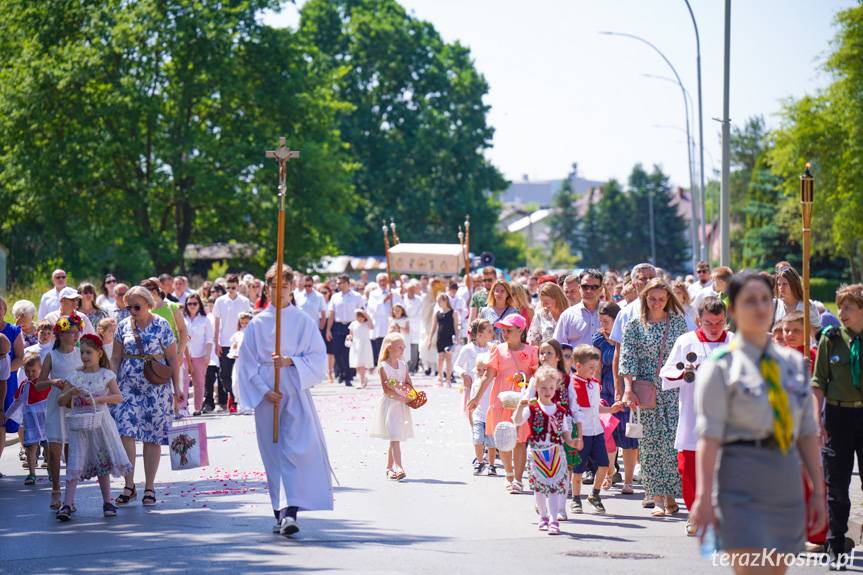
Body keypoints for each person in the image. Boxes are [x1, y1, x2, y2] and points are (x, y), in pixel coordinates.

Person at [691, 272, 825, 573]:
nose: (760, 307)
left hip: (785, 475)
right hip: (740, 474)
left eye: (766, 299)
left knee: (777, 569)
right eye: (750, 301)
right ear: (734, 310)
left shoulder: (792, 364)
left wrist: (817, 489)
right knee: (750, 568)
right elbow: (709, 437)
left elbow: (806, 432)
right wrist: (703, 496)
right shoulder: (721, 366)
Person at [234, 262, 333, 537]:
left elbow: (316, 358)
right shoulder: (257, 323)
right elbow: (247, 363)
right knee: (273, 452)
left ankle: (291, 512)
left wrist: (291, 361)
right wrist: (264, 390)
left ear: (292, 289)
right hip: (268, 392)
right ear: (268, 288)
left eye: (285, 286)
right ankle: (279, 513)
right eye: (274, 286)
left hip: (295, 388)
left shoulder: (302, 321)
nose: (279, 291)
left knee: (294, 450)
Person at [659, 296, 732, 536]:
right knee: (689, 469)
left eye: (719, 323)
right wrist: (684, 371)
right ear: (699, 321)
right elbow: (666, 373)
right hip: (693, 417)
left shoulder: (734, 343)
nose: (714, 328)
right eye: (709, 323)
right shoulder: (686, 341)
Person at [620, 278, 689, 516]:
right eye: (652, 298)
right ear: (645, 299)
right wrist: (628, 388)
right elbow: (628, 358)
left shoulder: (678, 323)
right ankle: (656, 497)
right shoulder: (634, 325)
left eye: (661, 299)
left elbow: (687, 354)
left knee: (672, 441)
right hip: (645, 388)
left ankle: (671, 494)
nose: (657, 303)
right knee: (649, 444)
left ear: (668, 299)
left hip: (673, 389)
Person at [111, 285, 183, 508]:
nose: (132, 310)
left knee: (152, 437)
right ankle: (129, 484)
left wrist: (177, 388)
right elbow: (115, 358)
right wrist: (110, 382)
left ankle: (149, 487)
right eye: (128, 306)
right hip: (128, 387)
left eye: (136, 306)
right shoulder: (123, 326)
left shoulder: (161, 325)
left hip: (156, 388)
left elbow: (172, 359)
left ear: (148, 304)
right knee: (125, 432)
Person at [811, 283, 863, 567]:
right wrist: (816, 420)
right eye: (839, 306)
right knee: (838, 487)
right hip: (837, 417)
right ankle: (836, 545)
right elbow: (819, 382)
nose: (840, 312)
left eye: (847, 307)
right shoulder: (830, 339)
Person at [55, 335, 131, 521]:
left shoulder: (106, 374)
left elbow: (118, 397)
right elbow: (60, 401)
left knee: (101, 460)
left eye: (89, 352)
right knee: (75, 461)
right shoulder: (74, 376)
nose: (85, 356)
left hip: (100, 423)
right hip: (79, 424)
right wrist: (71, 392)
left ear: (99, 353)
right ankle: (67, 503)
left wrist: (97, 399)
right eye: (82, 352)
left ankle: (107, 501)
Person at [468, 314, 538, 494]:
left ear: (520, 330)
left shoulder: (531, 351)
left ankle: (518, 480)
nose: (504, 333)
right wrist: (476, 398)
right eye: (503, 330)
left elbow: (536, 376)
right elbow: (488, 375)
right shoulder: (498, 350)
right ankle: (508, 476)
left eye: (509, 330)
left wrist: (524, 377)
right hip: (501, 401)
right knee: (504, 438)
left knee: (520, 441)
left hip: (521, 402)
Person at [512, 366, 579, 535]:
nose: (547, 391)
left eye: (550, 387)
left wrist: (572, 441)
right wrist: (520, 406)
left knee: (555, 487)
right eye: (543, 388)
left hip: (556, 451)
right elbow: (517, 421)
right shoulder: (532, 409)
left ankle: (554, 520)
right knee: (540, 488)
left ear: (555, 387)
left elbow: (564, 432)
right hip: (537, 452)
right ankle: (543, 517)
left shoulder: (560, 411)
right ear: (536, 388)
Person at [36, 313, 84, 510]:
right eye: (70, 333)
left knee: (71, 452)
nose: (75, 336)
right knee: (55, 453)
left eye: (76, 332)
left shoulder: (81, 354)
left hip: (74, 406)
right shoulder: (51, 356)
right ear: (60, 335)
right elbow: (39, 384)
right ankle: (55, 490)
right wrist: (52, 382)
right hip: (56, 406)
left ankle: (69, 496)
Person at [570, 344, 622, 515]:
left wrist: (610, 410)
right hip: (581, 432)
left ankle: (594, 494)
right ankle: (576, 499)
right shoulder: (571, 384)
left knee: (604, 464)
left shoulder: (594, 384)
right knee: (578, 469)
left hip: (596, 430)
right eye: (591, 368)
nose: (594, 371)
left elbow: (595, 408)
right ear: (578, 366)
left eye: (596, 367)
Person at [593, 301, 637, 492]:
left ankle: (628, 481)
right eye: (600, 321)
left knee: (629, 439)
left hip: (625, 391)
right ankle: (608, 474)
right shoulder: (598, 340)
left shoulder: (627, 338)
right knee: (606, 436)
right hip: (606, 392)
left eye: (606, 321)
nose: (603, 325)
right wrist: (594, 392)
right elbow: (596, 369)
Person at [370, 332, 415, 481]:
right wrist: (401, 397)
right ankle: (399, 467)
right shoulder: (383, 367)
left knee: (395, 437)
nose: (402, 350)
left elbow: (409, 383)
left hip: (401, 406)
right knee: (395, 436)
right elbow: (387, 390)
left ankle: (389, 468)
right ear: (389, 348)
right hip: (391, 406)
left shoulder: (403, 365)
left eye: (403, 347)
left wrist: (409, 394)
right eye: (399, 347)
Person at [455, 319, 495, 475]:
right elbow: (457, 365)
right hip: (472, 389)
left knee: (488, 424)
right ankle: (479, 454)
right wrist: (463, 373)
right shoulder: (468, 349)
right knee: (475, 422)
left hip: (489, 390)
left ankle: (487, 454)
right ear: (479, 334)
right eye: (489, 331)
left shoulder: (493, 348)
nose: (492, 334)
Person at [212, 274, 250, 410]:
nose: (230, 290)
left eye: (233, 287)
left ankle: (238, 400)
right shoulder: (220, 301)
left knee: (239, 373)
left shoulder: (244, 301)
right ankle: (232, 396)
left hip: (240, 343)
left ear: (238, 286)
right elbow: (216, 322)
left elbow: (248, 322)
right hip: (224, 342)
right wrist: (216, 342)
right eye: (228, 287)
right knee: (224, 374)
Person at [12, 353, 49, 486]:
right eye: (27, 371)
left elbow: (53, 400)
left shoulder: (46, 383)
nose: (30, 373)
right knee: (31, 448)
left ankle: (52, 470)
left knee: (48, 447)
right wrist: (7, 415)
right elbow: (16, 402)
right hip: (30, 422)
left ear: (41, 368)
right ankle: (32, 473)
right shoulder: (24, 385)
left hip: (45, 421)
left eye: (33, 370)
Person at [326, 274, 365, 387]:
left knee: (348, 351)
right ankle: (342, 372)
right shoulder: (335, 297)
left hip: (351, 325)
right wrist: (328, 329)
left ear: (347, 283)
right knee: (337, 351)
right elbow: (332, 314)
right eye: (338, 283)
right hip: (338, 326)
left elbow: (361, 312)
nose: (338, 285)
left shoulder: (356, 296)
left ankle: (348, 376)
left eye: (340, 283)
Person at [553, 269, 603, 348]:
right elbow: (559, 346)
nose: (589, 290)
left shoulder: (612, 312)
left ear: (600, 290)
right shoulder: (567, 315)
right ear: (579, 288)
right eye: (585, 286)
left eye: (594, 287)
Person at [183, 293, 213, 416]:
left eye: (195, 303)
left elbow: (209, 339)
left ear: (199, 304)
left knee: (199, 382)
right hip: (184, 355)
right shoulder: (182, 318)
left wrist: (208, 355)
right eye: (189, 304)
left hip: (200, 354)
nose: (192, 306)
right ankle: (182, 407)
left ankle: (197, 407)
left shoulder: (205, 319)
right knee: (183, 381)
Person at [773, 265, 821, 332]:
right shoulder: (775, 304)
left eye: (785, 284)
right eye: (779, 284)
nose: (781, 288)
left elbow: (817, 331)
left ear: (794, 284)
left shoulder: (807, 305)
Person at [367, 273, 400, 365]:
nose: (382, 282)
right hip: (379, 324)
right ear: (377, 282)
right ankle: (381, 364)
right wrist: (384, 300)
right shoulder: (373, 294)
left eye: (384, 280)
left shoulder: (394, 293)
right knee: (379, 346)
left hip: (390, 324)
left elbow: (400, 307)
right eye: (380, 280)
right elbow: (372, 308)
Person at [427, 293, 458, 386]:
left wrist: (457, 337)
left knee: (448, 359)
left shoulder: (453, 312)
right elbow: (433, 327)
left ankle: (448, 379)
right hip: (440, 338)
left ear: (445, 301)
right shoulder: (437, 313)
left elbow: (456, 326)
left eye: (440, 300)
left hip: (449, 338)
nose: (439, 303)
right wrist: (429, 339)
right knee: (440, 358)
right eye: (438, 301)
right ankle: (440, 378)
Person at [527, 282, 568, 346]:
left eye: (546, 302)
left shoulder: (569, 314)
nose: (543, 305)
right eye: (541, 301)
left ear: (557, 299)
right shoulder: (540, 315)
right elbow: (533, 341)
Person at [348, 309, 374, 388]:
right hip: (356, 345)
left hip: (364, 345)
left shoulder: (367, 324)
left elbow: (372, 326)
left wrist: (366, 314)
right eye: (358, 316)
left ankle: (361, 381)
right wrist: (349, 337)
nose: (359, 318)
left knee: (362, 363)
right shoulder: (353, 324)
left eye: (361, 316)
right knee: (357, 364)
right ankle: (363, 378)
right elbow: (351, 334)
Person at [402, 281, 424, 373]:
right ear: (406, 290)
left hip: (416, 325)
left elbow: (421, 312)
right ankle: (405, 367)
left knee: (415, 347)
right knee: (405, 346)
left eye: (413, 289)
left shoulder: (419, 299)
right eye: (409, 289)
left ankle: (413, 367)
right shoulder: (402, 299)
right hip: (404, 326)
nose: (411, 291)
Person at [317, 283, 336, 383]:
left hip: (329, 324)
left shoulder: (331, 302)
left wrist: (328, 329)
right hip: (319, 323)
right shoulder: (316, 301)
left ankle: (330, 373)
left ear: (329, 293)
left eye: (325, 292)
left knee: (330, 351)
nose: (323, 294)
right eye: (321, 292)